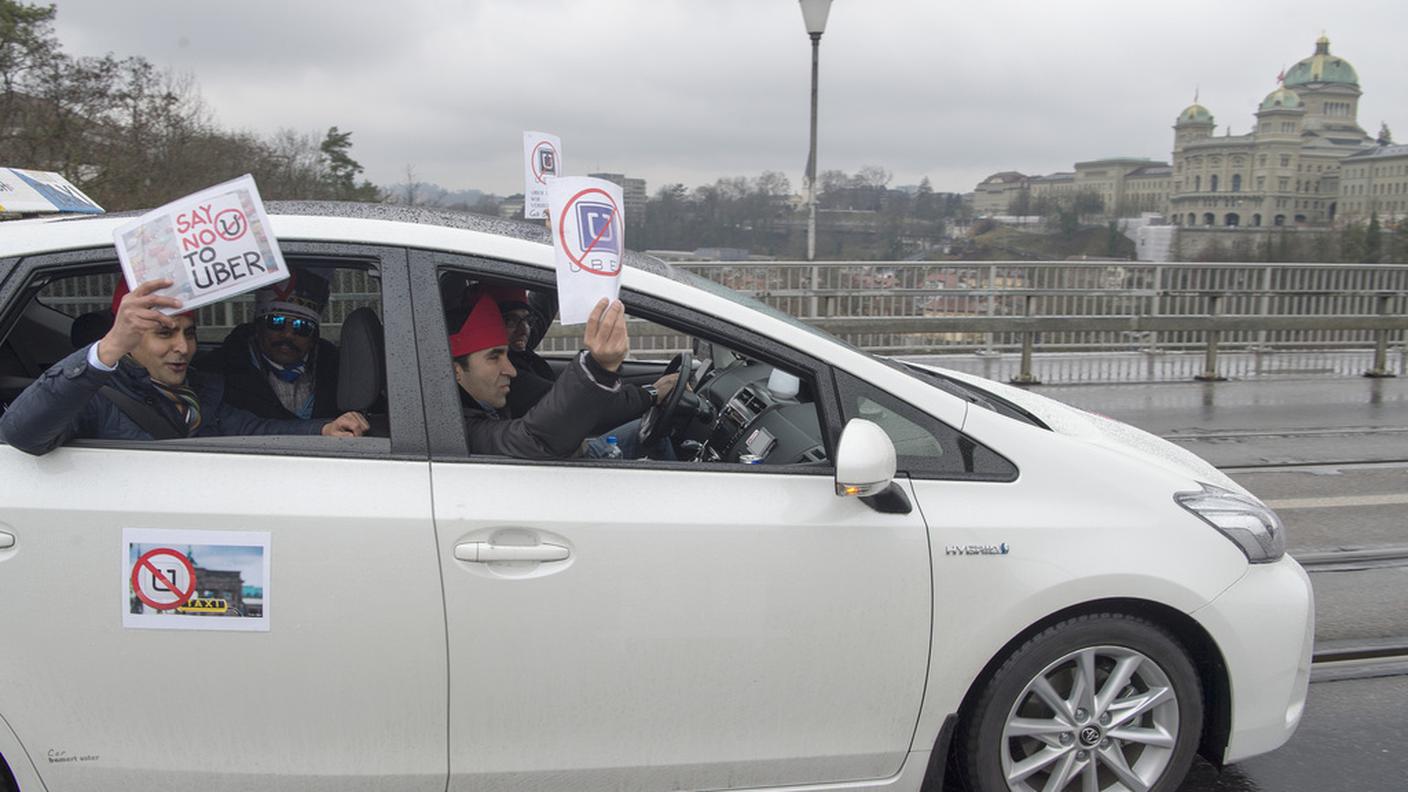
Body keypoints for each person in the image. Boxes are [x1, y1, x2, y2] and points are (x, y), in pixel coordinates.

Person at [0, 279, 368, 456]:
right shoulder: (94, 397)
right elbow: (22, 433)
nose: (183, 348)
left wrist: (322, 429)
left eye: (189, 333)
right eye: (164, 333)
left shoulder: (199, 393)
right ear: (129, 337)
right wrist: (108, 347)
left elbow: (255, 428)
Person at [450, 292, 661, 459]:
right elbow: (534, 440)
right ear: (456, 371)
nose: (511, 370)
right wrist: (598, 368)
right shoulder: (459, 428)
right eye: (494, 357)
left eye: (507, 354)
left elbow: (540, 313)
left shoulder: (481, 400)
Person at [204, 269, 340, 420]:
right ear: (259, 327)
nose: (288, 335)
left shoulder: (337, 372)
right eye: (276, 322)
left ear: (313, 337)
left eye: (302, 326)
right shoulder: (221, 372)